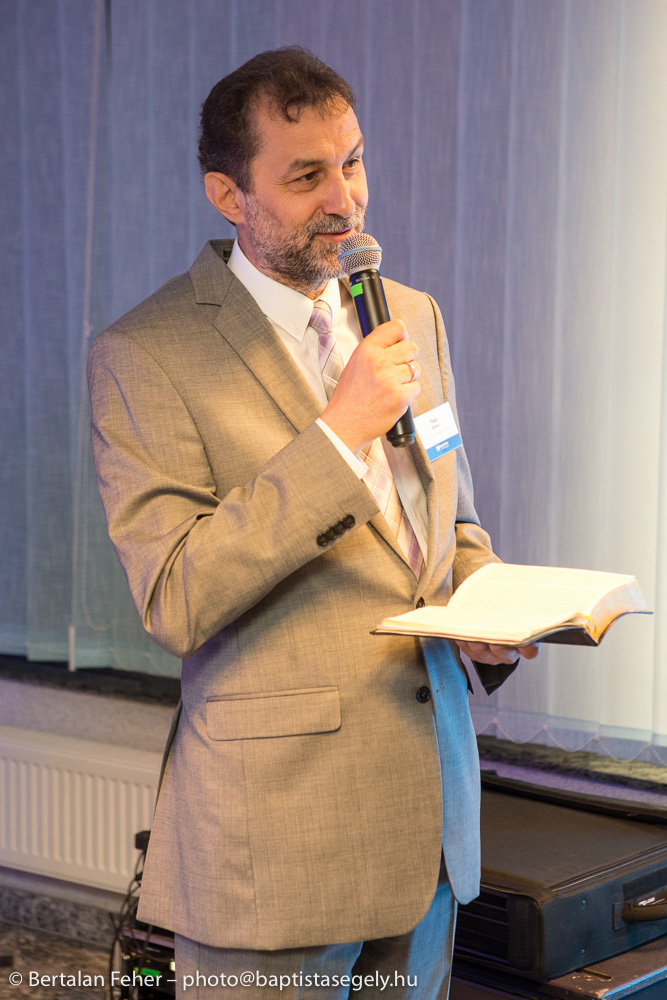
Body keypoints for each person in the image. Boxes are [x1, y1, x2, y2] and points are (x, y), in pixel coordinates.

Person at [88, 46, 538, 999]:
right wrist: (338, 435)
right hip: (274, 845)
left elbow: (450, 524)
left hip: (427, 827)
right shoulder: (146, 353)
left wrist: (487, 606)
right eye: (305, 177)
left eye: (354, 162)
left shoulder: (410, 316)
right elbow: (176, 595)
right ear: (227, 193)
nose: (346, 200)